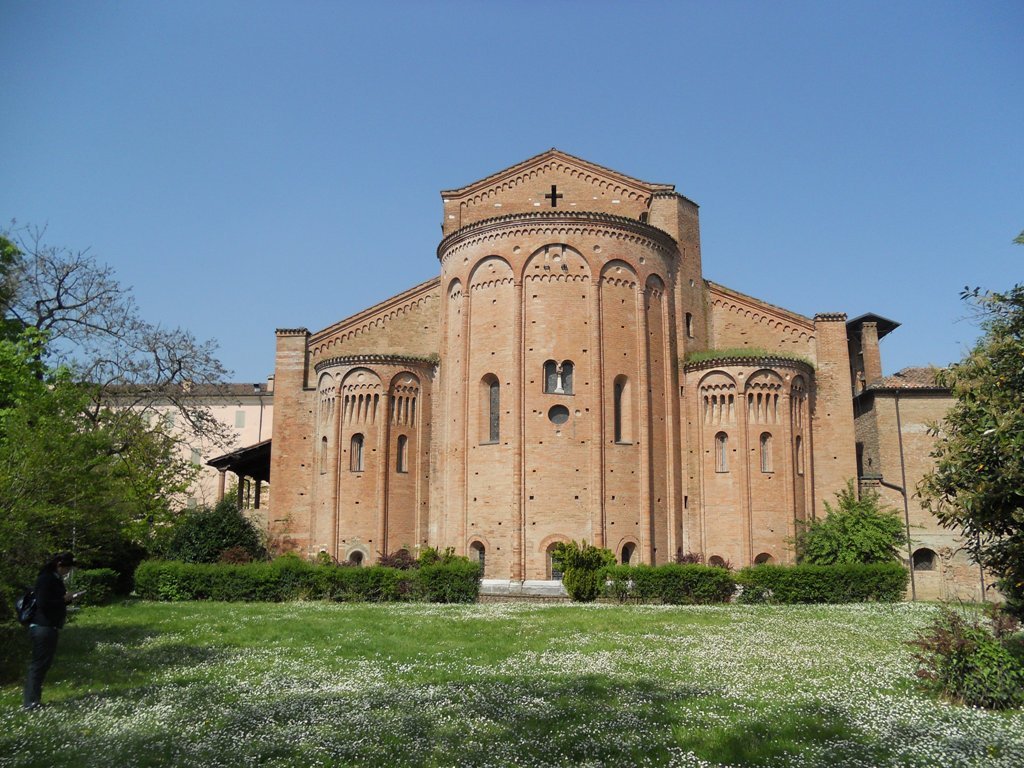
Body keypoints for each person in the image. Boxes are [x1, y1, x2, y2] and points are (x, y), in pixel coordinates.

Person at [23, 552, 82, 710]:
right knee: (38, 665)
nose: (68, 571)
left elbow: (55, 602)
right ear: (59, 565)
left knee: (43, 664)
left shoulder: (55, 579)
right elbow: (43, 603)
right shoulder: (46, 579)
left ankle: (34, 699)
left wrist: (68, 600)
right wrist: (64, 600)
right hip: (43, 627)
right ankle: (30, 702)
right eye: (67, 568)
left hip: (50, 626)